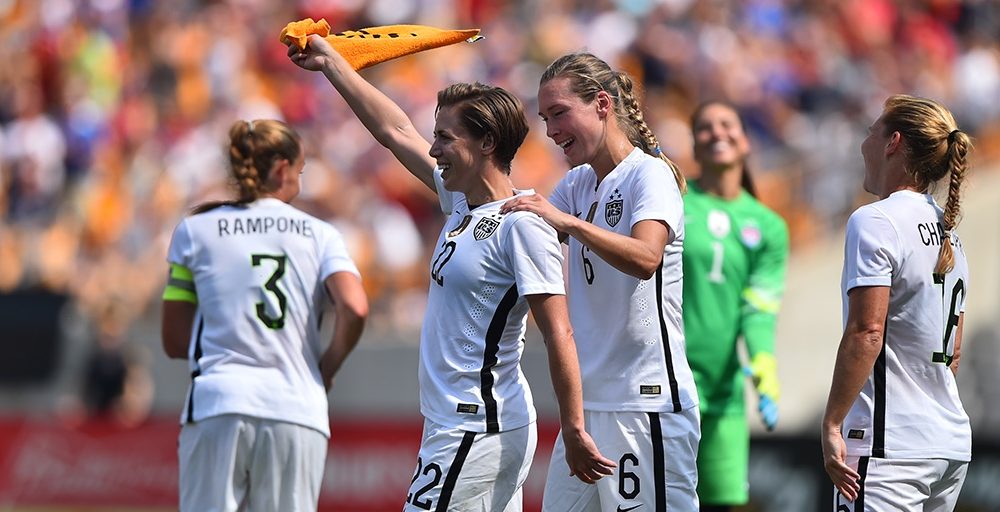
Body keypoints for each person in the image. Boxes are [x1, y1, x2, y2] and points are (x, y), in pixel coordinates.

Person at [288, 36, 614, 511]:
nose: (435, 149)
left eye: (445, 137)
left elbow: (558, 330)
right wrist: (332, 64)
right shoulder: (461, 201)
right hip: (455, 421)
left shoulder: (521, 225)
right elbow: (394, 130)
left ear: (486, 143)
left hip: (476, 425)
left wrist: (573, 426)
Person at [501, 51, 701, 511]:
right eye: (545, 118)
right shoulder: (576, 185)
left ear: (603, 105)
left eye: (559, 113)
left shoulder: (650, 175)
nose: (550, 131)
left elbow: (647, 256)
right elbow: (528, 228)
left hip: (644, 402)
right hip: (588, 408)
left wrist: (568, 224)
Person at [161, 119, 369, 512]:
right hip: (297, 408)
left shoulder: (195, 230)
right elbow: (355, 307)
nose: (301, 183)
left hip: (218, 404)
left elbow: (174, 342)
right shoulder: (321, 235)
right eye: (301, 172)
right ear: (281, 170)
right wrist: (326, 366)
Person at [821, 94, 972, 510]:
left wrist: (833, 422)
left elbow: (867, 331)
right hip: (948, 444)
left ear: (893, 142)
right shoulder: (950, 235)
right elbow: (953, 354)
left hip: (891, 448)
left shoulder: (875, 220)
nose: (863, 142)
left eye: (872, 131)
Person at [681, 101, 789, 511]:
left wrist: (764, 367)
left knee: (721, 504)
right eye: (704, 127)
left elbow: (759, 309)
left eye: (726, 124)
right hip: (668, 386)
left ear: (745, 141)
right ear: (693, 143)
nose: (716, 133)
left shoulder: (768, 226)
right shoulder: (674, 202)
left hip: (725, 392)